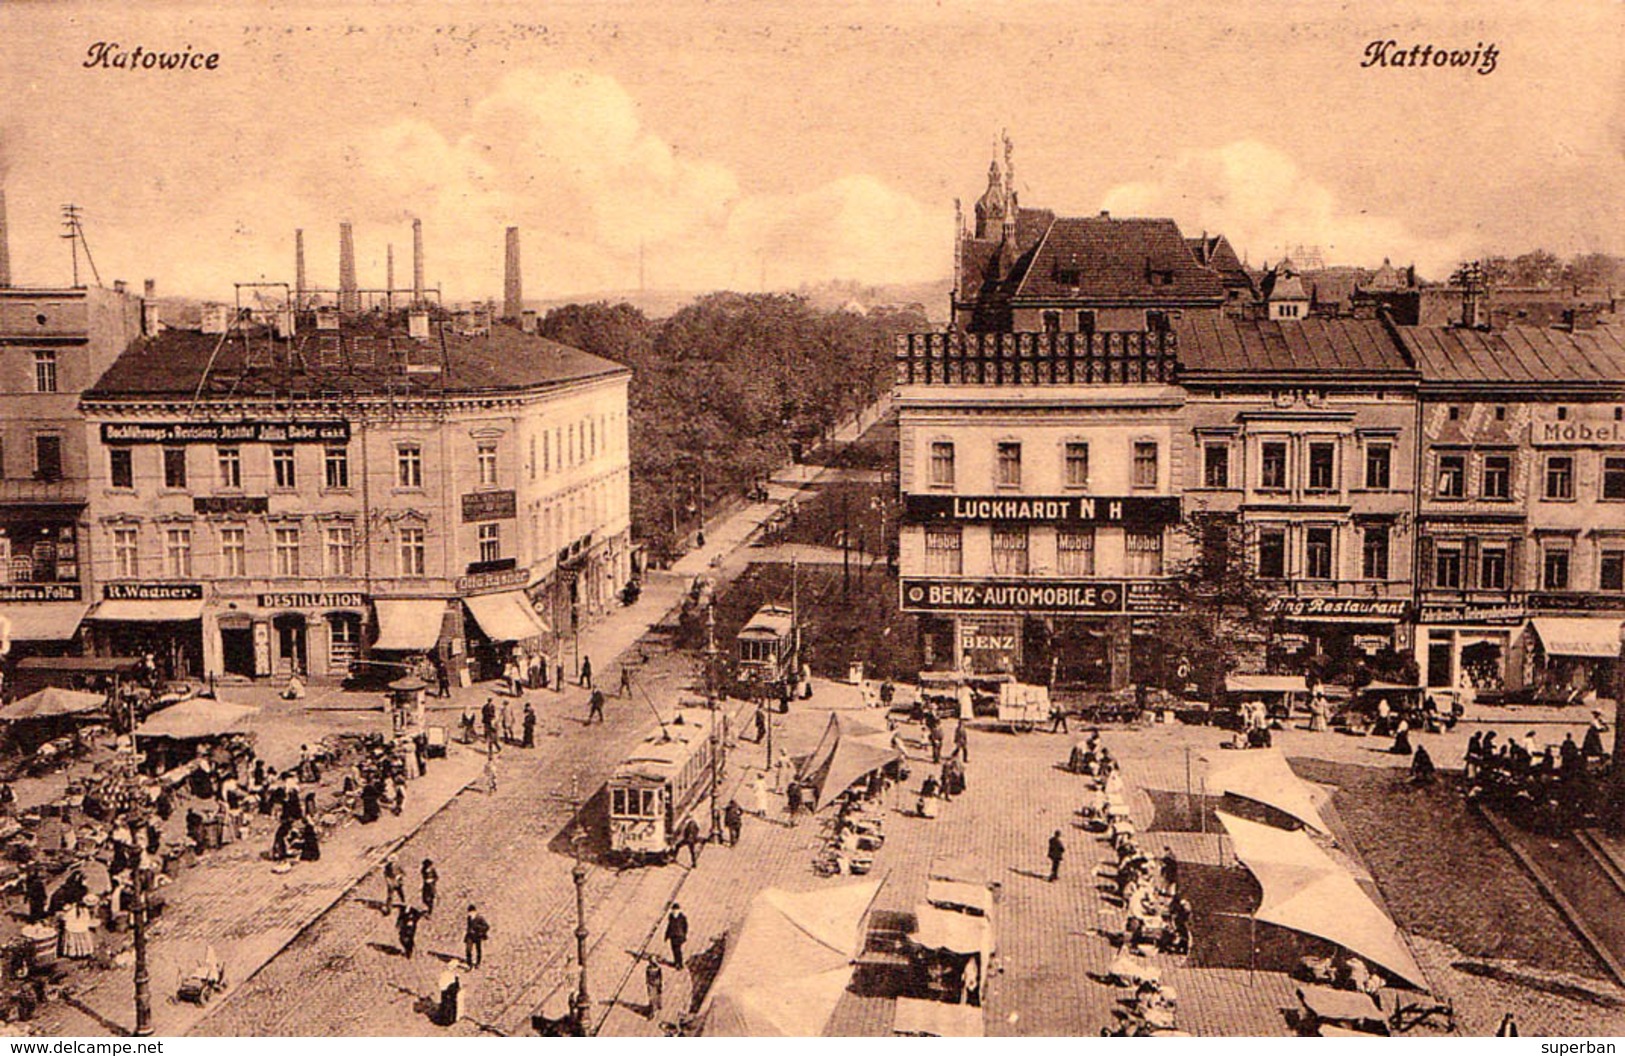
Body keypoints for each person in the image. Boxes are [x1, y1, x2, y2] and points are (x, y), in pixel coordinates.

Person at [666, 904, 689, 969]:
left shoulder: (682, 918)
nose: (674, 912)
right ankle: (676, 962)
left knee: (677, 950)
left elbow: (685, 927)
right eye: (673, 910)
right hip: (673, 936)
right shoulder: (671, 917)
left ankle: (679, 964)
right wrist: (667, 935)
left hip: (679, 936)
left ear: (679, 910)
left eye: (676, 910)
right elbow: (669, 926)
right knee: (674, 950)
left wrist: (684, 935)